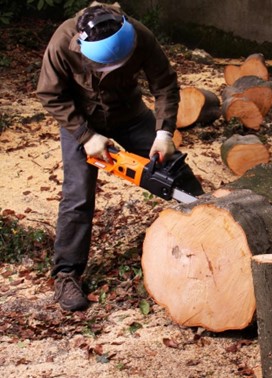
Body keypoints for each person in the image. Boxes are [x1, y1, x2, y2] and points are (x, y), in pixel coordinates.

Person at [36, 2, 202, 311]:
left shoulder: (140, 35)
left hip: (129, 113)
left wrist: (164, 133)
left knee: (173, 169)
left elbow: (164, 83)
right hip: (80, 119)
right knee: (77, 196)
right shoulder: (62, 43)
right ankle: (66, 274)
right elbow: (50, 95)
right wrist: (86, 136)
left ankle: (210, 221)